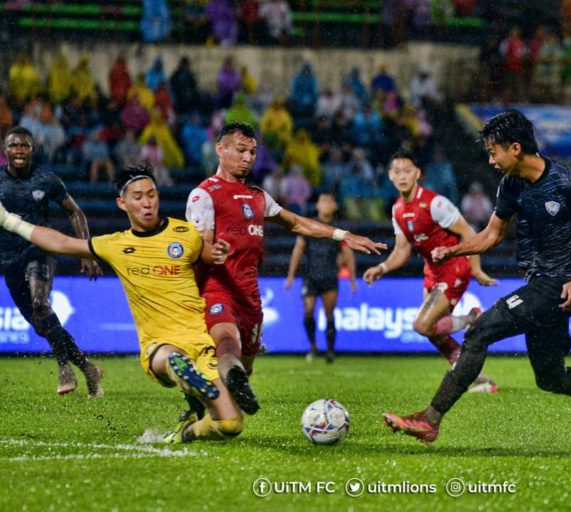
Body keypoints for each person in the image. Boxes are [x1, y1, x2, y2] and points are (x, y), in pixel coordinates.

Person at [381, 110, 571, 448]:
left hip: (558, 286)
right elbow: (492, 235)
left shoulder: (568, 183)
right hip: (539, 282)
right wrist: (454, 251)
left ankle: (429, 419)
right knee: (551, 377)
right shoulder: (510, 185)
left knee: (479, 332)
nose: (491, 160)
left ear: (515, 148)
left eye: (493, 152)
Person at [0, 164, 245, 444]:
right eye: (138, 197)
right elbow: (61, 242)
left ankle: (187, 430)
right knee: (171, 359)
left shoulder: (186, 234)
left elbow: (208, 260)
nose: (147, 203)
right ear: (122, 203)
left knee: (230, 424)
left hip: (201, 343)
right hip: (160, 345)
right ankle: (181, 372)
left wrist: (218, 253)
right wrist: (9, 221)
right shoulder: (115, 245)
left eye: (152, 195)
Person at [186, 122, 386, 416]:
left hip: (249, 295)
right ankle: (205, 404)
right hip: (218, 288)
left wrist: (344, 235)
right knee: (227, 343)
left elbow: (297, 223)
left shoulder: (258, 196)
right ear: (220, 149)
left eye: (253, 152)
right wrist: (211, 252)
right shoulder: (204, 194)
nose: (248, 158)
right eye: (241, 150)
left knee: (246, 365)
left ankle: (205, 399)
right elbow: (199, 245)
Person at [363, 150, 499, 394]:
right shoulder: (397, 211)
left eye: (407, 170)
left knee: (421, 325)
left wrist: (476, 269)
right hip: (432, 271)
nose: (402, 175)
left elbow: (469, 234)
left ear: (417, 174)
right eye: (397, 171)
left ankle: (471, 319)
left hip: (454, 266)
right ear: (390, 176)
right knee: (431, 331)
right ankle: (475, 376)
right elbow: (402, 250)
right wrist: (381, 267)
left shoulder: (435, 203)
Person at [0, 126, 104, 397]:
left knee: (40, 303)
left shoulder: (46, 180)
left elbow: (75, 212)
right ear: (5, 150)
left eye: (24, 145)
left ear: (32, 150)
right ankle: (88, 368)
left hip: (40, 250)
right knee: (40, 323)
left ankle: (63, 368)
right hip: (8, 260)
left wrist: (85, 251)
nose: (19, 150)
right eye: (14, 145)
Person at [284, 194, 357, 363]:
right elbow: (298, 250)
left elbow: (348, 254)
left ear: (335, 206)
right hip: (310, 275)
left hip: (330, 276)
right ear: (317, 205)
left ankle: (330, 351)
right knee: (308, 311)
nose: (326, 204)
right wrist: (290, 275)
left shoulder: (339, 229)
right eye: (323, 201)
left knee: (329, 313)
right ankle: (313, 345)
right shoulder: (310, 226)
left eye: (330, 201)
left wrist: (352, 279)